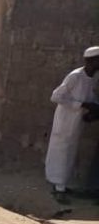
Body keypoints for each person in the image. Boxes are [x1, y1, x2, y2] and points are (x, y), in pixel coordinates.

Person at [45, 46, 99, 204]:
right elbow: (56, 97)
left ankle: (61, 185)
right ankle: (58, 189)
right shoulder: (75, 76)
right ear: (92, 60)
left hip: (76, 123)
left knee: (69, 153)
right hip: (65, 122)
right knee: (61, 153)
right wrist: (82, 104)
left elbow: (90, 97)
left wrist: (93, 107)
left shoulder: (92, 78)